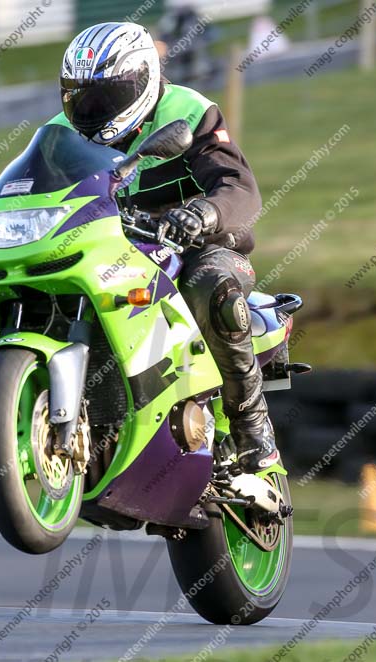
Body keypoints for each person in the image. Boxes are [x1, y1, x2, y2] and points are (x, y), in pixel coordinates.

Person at [52, 21, 278, 472]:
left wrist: (202, 214)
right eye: (81, 97)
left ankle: (253, 429)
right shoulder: (61, 133)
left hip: (197, 245)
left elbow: (238, 185)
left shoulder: (187, 110)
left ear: (142, 79)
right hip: (112, 251)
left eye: (105, 96)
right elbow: (33, 189)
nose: (91, 109)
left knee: (210, 285)